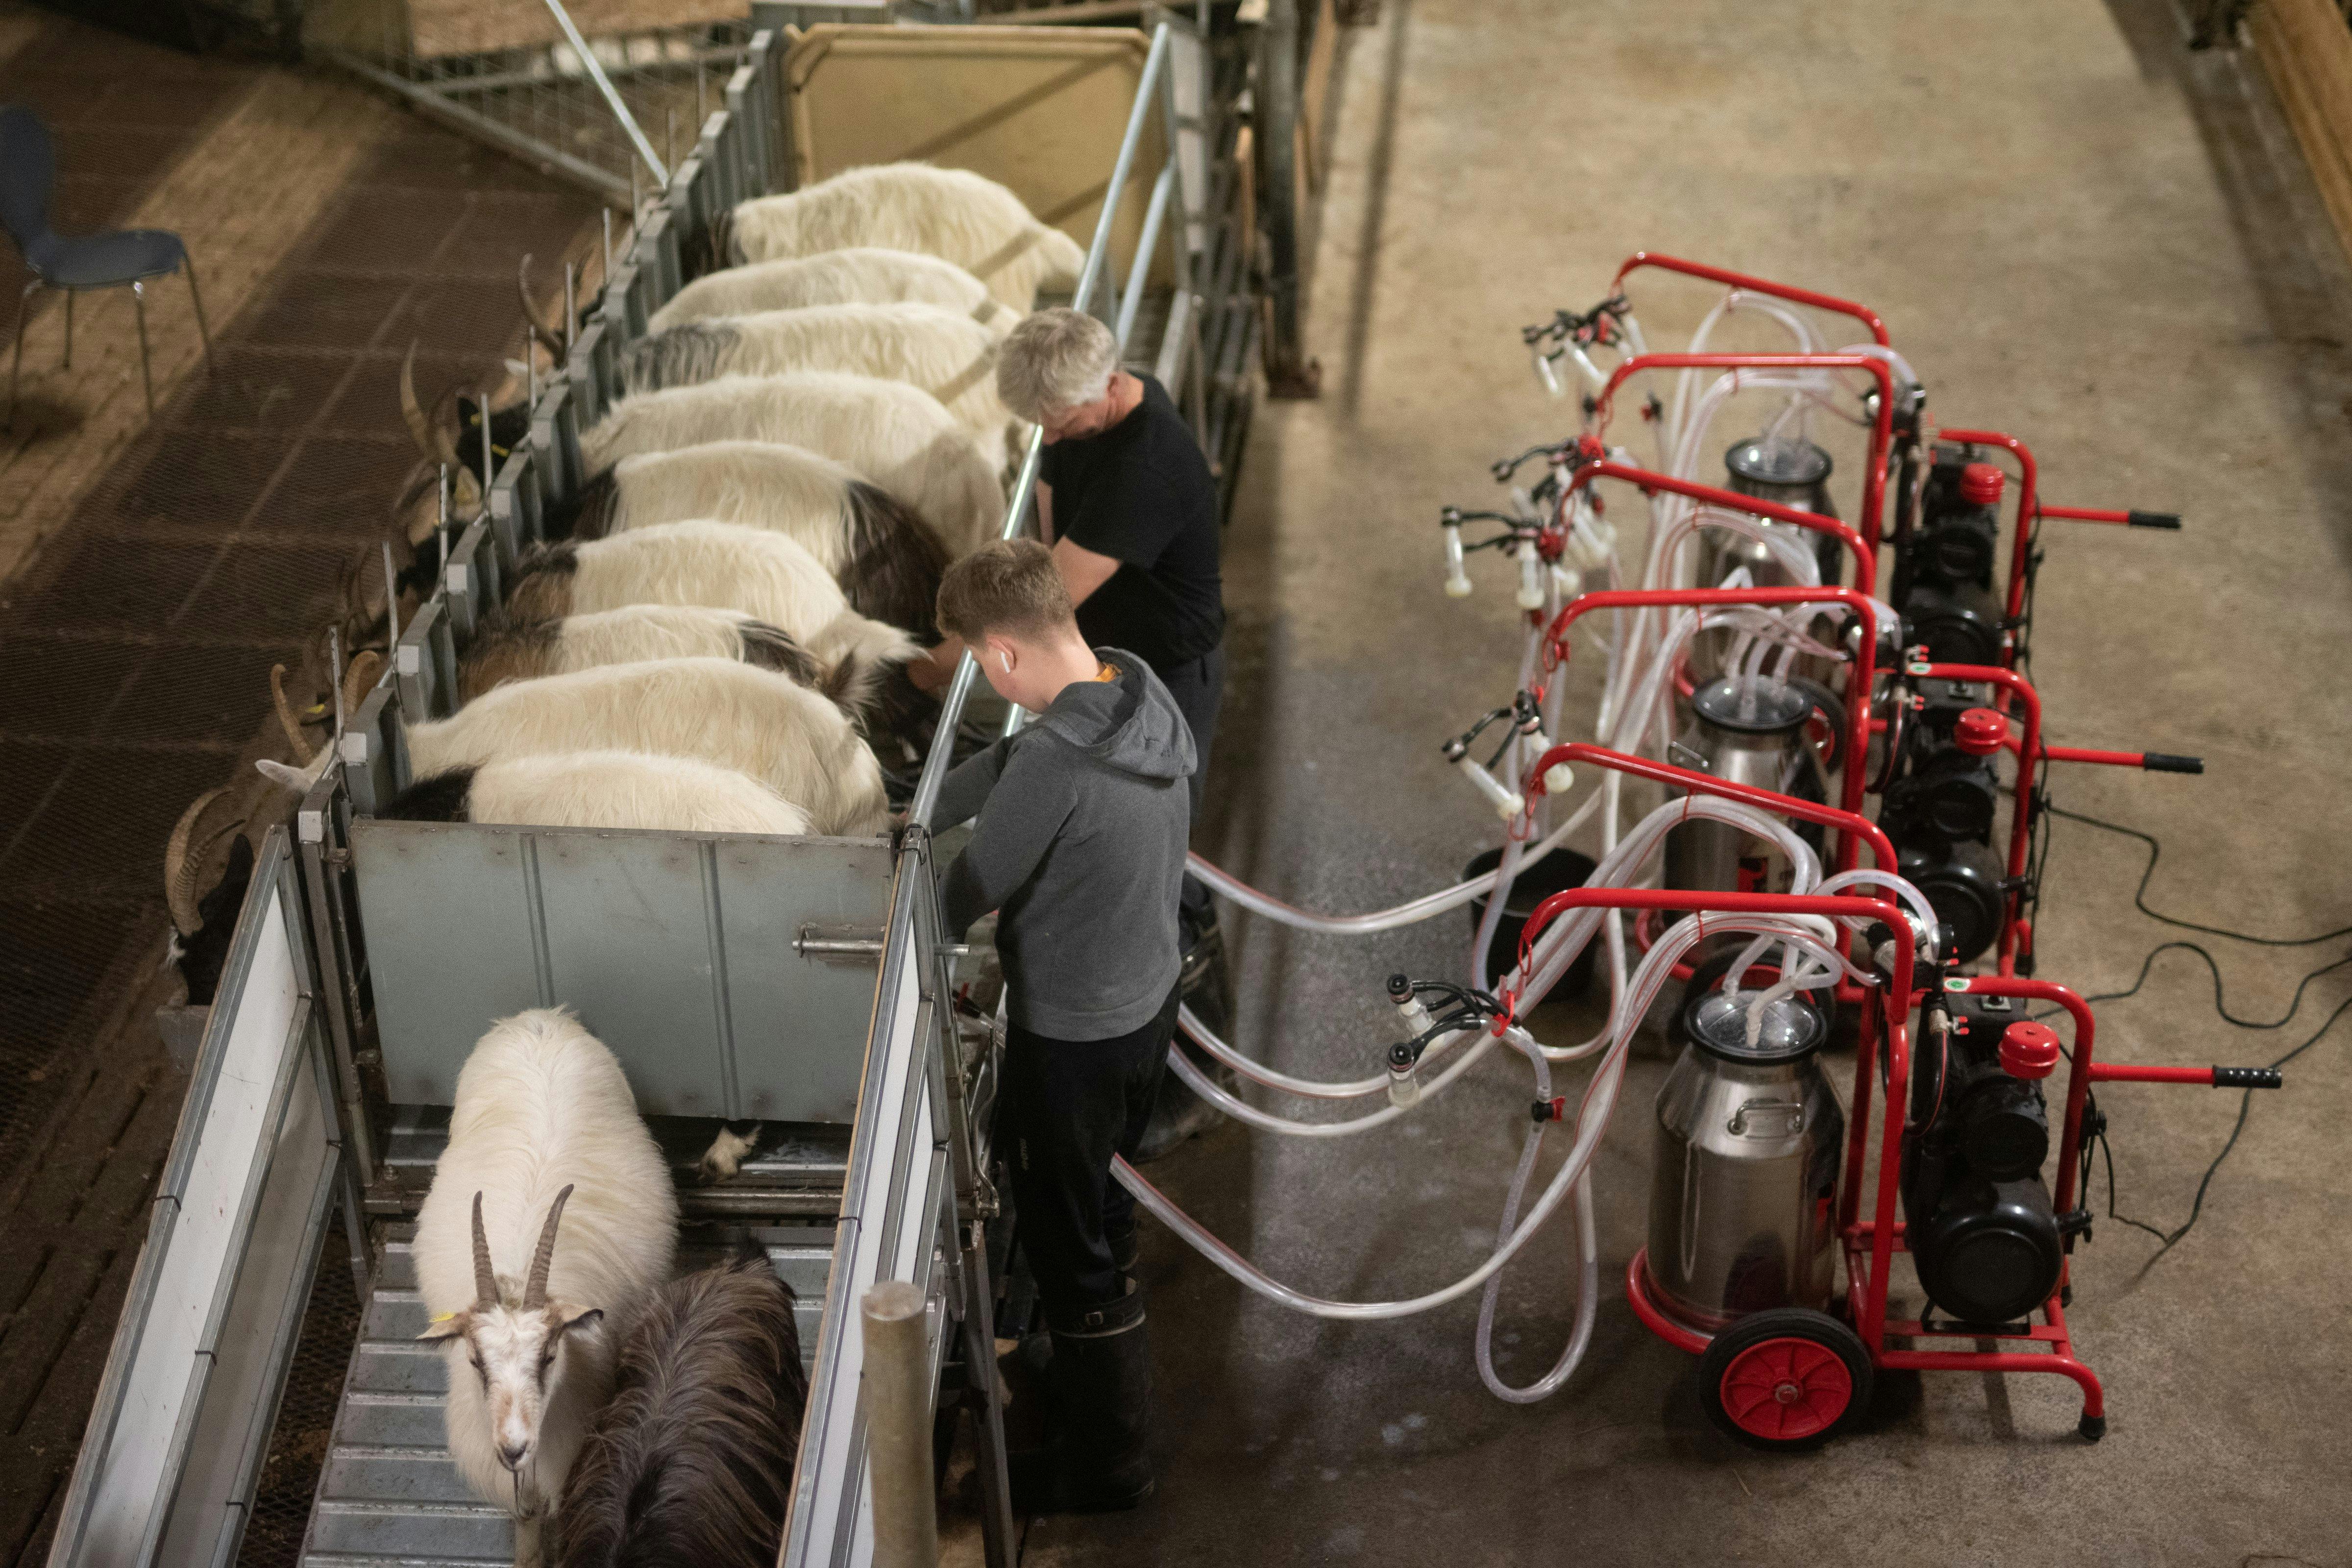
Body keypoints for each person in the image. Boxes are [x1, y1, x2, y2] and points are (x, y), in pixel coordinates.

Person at [913, 306, 1232, 1154]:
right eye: (1041, 423)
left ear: (1108, 384)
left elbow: (1054, 587)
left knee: (1171, 875)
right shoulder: (1075, 425)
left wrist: (937, 665)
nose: (1050, 434)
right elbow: (1050, 536)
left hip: (1168, 674)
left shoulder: (1151, 463)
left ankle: (1191, 1083)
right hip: (1110, 658)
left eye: (1059, 417)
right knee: (1137, 862)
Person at [927, 538, 1194, 1513]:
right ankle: (1082, 1341)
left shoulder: (1055, 762)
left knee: (1057, 1226)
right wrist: (917, 805)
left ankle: (1108, 1463)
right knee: (1097, 1196)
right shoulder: (1134, 686)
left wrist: (898, 899)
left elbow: (973, 883)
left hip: (1076, 1037)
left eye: (973, 661)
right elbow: (1009, 764)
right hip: (1146, 1000)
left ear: (1000, 657)